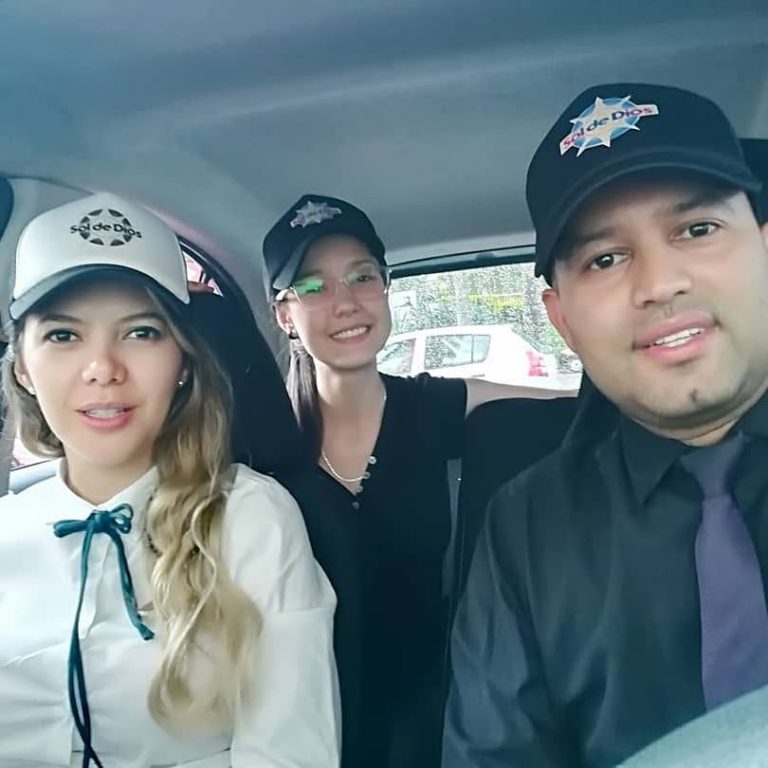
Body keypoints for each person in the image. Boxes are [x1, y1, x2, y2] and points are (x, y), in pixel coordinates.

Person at [442, 82, 768, 767]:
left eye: (697, 230)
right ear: (561, 320)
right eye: (605, 259)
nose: (659, 284)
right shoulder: (526, 529)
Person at [0, 193, 340, 767]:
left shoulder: (250, 517)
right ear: (22, 369)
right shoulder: (8, 528)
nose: (103, 369)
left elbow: (291, 752)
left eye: (140, 333)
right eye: (63, 335)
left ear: (182, 364)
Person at [261, 194, 570, 768]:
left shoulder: (432, 408)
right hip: (303, 729)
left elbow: (571, 404)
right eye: (314, 287)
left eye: (363, 277)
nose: (346, 302)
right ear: (284, 314)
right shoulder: (263, 448)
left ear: (386, 287)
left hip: (439, 721)